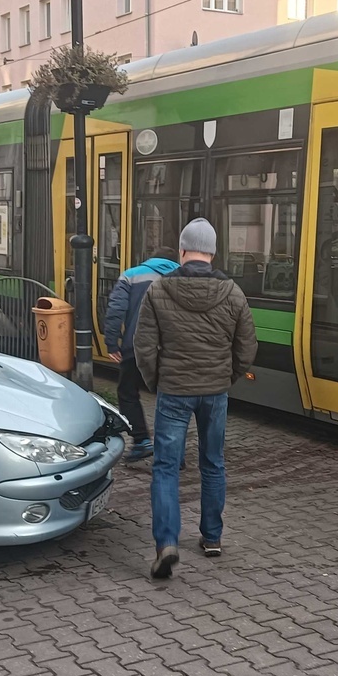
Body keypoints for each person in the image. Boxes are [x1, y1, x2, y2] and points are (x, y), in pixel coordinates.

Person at [134, 218, 257, 580]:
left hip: (174, 391)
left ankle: (167, 543)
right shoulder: (233, 292)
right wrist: (226, 376)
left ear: (182, 251)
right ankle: (212, 537)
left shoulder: (159, 290)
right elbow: (247, 346)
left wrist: (157, 380)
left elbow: (143, 346)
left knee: (166, 467)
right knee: (213, 462)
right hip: (215, 393)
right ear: (213, 253)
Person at [105, 246, 179, 461]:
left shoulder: (132, 275)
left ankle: (141, 441)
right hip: (172, 349)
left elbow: (116, 309)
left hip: (135, 347)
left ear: (151, 259)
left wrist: (112, 343)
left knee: (127, 393)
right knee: (171, 398)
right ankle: (175, 452)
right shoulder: (183, 278)